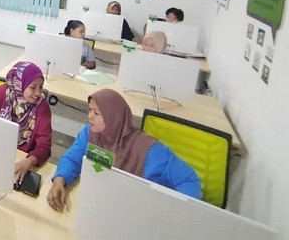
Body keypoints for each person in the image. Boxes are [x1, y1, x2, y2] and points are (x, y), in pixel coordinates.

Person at [46, 89, 200, 212]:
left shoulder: (148, 150)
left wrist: (175, 213)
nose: (90, 116)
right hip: (106, 204)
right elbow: (72, 159)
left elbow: (189, 180)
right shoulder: (90, 133)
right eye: (89, 110)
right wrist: (60, 180)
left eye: (96, 113)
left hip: (141, 211)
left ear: (114, 117)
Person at [0, 61, 52, 185]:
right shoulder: (1, 93)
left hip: (23, 161)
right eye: (33, 87)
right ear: (20, 84)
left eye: (41, 87)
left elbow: (45, 147)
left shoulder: (42, 107)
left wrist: (29, 161)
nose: (38, 93)